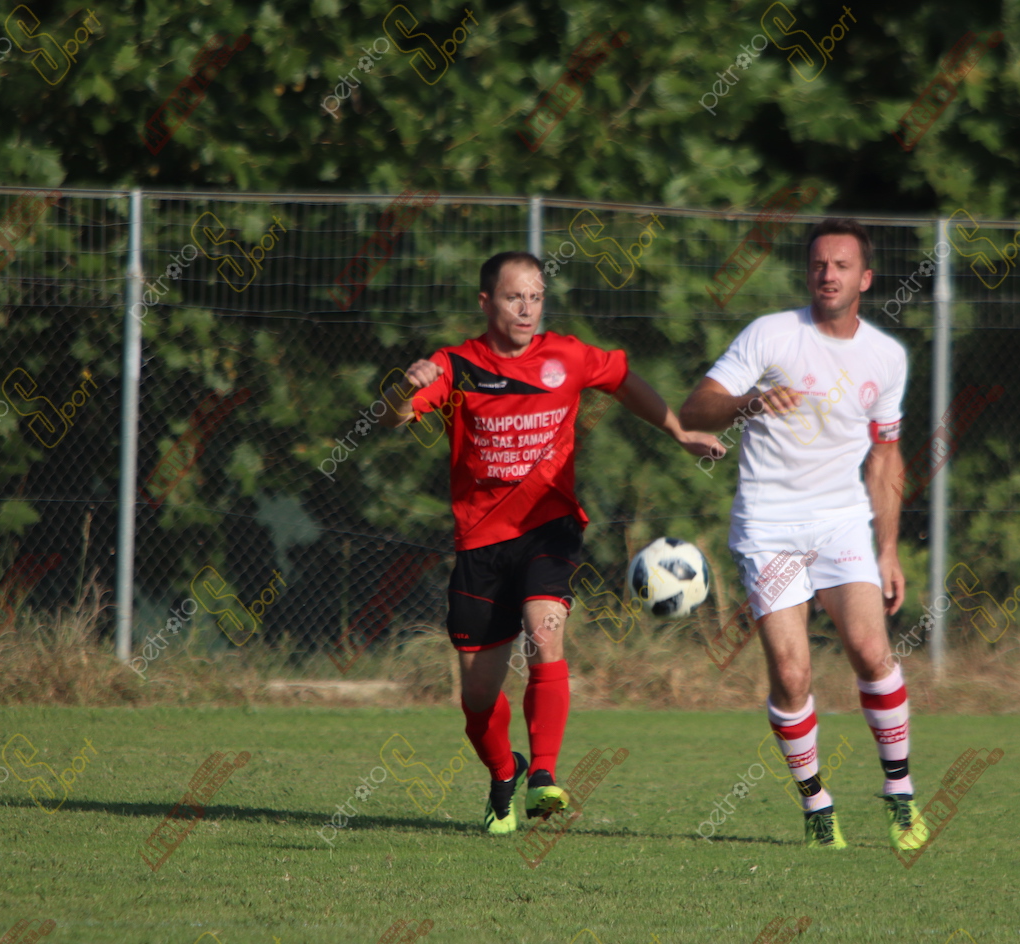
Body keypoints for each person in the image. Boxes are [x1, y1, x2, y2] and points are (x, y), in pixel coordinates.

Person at [377, 250, 722, 835]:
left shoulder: (567, 355)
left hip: (550, 527)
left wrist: (679, 431)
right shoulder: (455, 364)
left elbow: (622, 380)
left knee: (545, 631)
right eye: (514, 296)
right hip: (480, 544)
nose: (526, 308)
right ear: (486, 302)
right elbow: (396, 417)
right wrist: (401, 388)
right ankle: (504, 772)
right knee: (477, 698)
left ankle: (543, 775)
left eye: (535, 297)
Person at [680, 218, 926, 851]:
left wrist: (888, 549)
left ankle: (900, 795)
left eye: (842, 265)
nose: (828, 274)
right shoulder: (770, 335)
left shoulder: (886, 357)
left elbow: (885, 458)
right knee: (792, 674)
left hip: (841, 522)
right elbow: (695, 409)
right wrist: (749, 403)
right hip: (769, 526)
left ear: (865, 279)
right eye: (819, 264)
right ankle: (817, 806)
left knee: (870, 650)